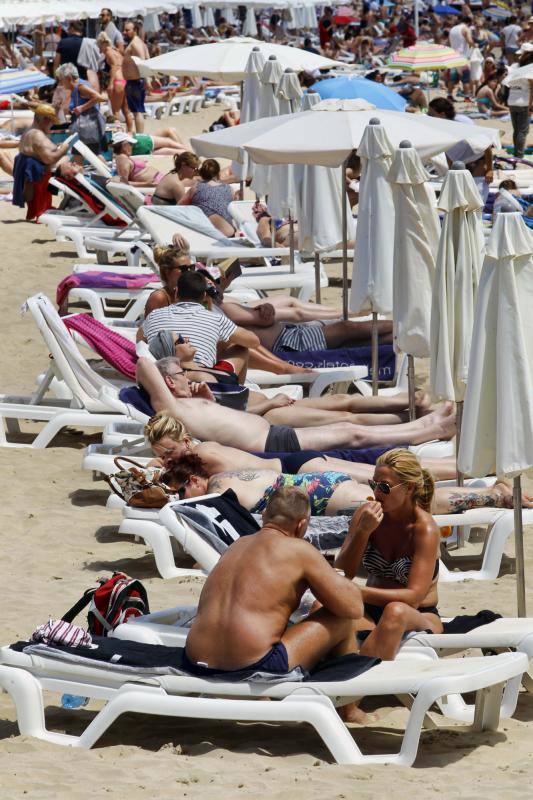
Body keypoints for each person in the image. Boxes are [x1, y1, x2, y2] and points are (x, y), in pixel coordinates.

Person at [182, 486, 365, 722]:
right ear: (301, 526)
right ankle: (349, 710)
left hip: (195, 659)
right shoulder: (300, 550)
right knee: (340, 619)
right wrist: (332, 577)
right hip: (250, 666)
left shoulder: (237, 545)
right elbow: (354, 608)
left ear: (266, 516)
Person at [136, 355, 457, 454]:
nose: (186, 376)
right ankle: (423, 432)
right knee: (349, 432)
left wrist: (206, 401)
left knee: (346, 426)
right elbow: (142, 362)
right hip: (268, 442)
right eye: (179, 373)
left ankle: (421, 426)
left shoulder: (188, 403)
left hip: (269, 433)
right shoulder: (171, 408)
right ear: (166, 382)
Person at [335, 449, 443, 660]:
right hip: (371, 611)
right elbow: (343, 572)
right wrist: (363, 532)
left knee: (396, 611)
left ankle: (363, 682)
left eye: (384, 487)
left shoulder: (424, 529)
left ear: (409, 488)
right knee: (323, 605)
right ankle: (328, 675)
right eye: (373, 484)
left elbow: (413, 598)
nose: (377, 493)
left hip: (418, 615)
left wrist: (358, 592)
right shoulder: (366, 515)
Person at [142, 271, 259, 373]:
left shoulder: (154, 316)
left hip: (162, 378)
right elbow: (254, 341)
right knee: (241, 348)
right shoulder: (216, 319)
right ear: (204, 295)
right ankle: (233, 393)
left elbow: (140, 339)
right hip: (201, 379)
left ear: (176, 292)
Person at [14, 104, 72, 220]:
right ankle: (41, 212)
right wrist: (64, 150)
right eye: (51, 121)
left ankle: (38, 211)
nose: (52, 125)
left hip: (31, 167)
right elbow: (49, 158)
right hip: (38, 170)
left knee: (40, 193)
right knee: (42, 191)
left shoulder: (30, 131)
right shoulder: (37, 135)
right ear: (45, 119)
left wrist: (57, 148)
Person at [56, 63, 107, 156]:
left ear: (68, 78)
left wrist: (82, 108)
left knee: (90, 156)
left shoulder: (80, 87)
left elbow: (100, 97)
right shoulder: (78, 86)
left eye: (61, 80)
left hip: (89, 128)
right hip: (87, 127)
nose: (61, 83)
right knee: (87, 156)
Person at [181, 158, 237, 236]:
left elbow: (179, 206)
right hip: (228, 233)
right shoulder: (229, 189)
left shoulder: (195, 188)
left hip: (204, 233)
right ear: (218, 173)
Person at [96, 32, 132, 130]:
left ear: (102, 44)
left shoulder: (108, 51)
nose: (99, 49)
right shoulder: (116, 51)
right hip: (125, 81)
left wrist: (111, 84)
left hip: (117, 82)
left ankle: (118, 137)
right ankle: (131, 132)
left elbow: (114, 66)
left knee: (115, 112)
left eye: (99, 46)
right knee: (126, 111)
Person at [123, 20, 150, 133]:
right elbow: (148, 58)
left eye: (127, 30)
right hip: (134, 81)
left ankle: (140, 135)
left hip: (135, 81)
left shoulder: (135, 43)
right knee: (137, 110)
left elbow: (144, 61)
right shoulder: (140, 43)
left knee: (137, 111)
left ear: (135, 30)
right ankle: (140, 134)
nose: (124, 32)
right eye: (124, 30)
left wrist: (147, 80)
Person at [505, 49, 533, 158]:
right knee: (523, 131)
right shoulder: (529, 70)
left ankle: (517, 153)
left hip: (512, 100)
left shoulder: (514, 67)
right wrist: (531, 106)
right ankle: (519, 155)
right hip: (524, 102)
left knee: (516, 130)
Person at [448, 16, 473, 99]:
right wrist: (475, 45)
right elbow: (469, 40)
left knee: (452, 79)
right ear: (469, 23)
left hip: (452, 56)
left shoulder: (453, 29)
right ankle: (467, 97)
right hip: (462, 57)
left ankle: (449, 95)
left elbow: (449, 42)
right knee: (466, 79)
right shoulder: (465, 28)